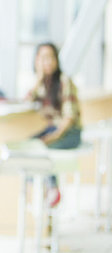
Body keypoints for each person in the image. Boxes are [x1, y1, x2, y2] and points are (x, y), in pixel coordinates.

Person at [26, 42, 82, 207]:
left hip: (70, 132)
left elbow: (69, 117)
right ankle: (42, 188)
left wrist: (53, 136)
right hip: (53, 128)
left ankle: (52, 189)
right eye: (43, 58)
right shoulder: (42, 84)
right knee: (28, 146)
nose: (48, 62)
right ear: (36, 61)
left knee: (42, 149)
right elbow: (27, 100)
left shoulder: (64, 81)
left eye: (51, 57)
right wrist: (38, 78)